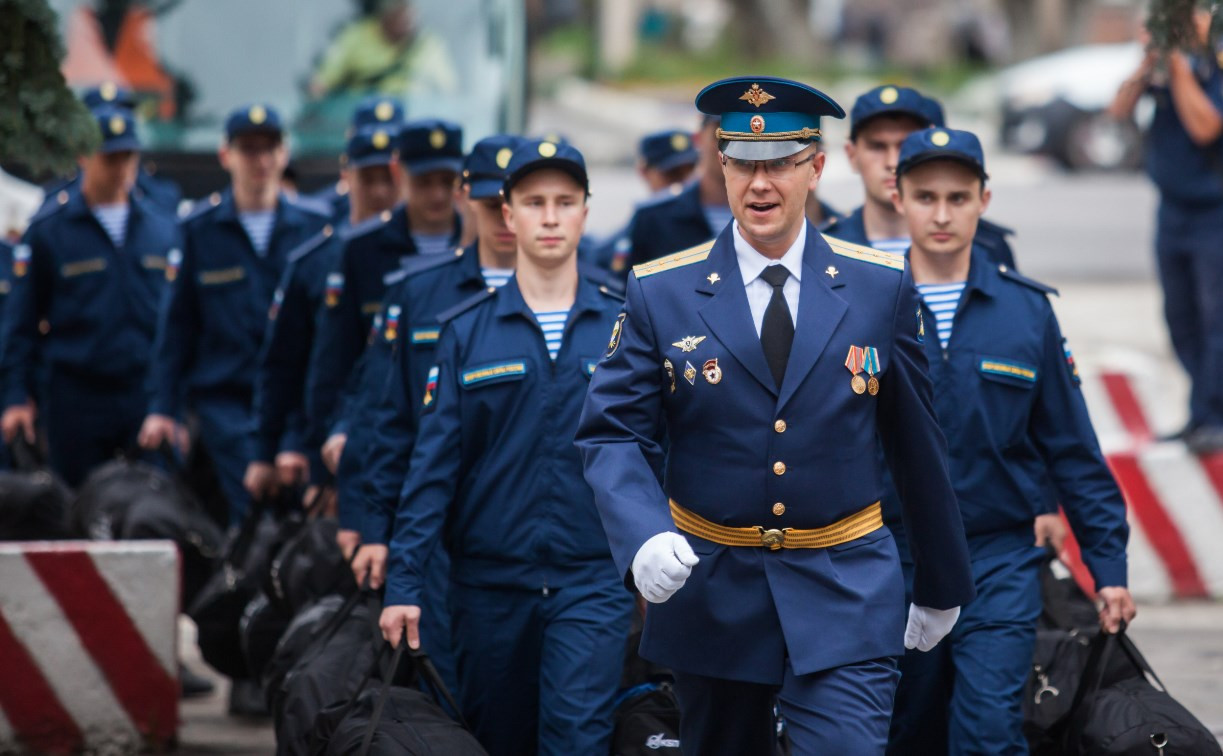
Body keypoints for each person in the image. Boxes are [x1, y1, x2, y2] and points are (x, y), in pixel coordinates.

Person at [575, 76, 976, 755]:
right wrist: (642, 535)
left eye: (780, 163)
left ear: (815, 168)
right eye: (742, 163)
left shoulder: (878, 285)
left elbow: (915, 444)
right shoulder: (660, 290)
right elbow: (612, 432)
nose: (759, 184)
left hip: (844, 583)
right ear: (720, 165)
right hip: (714, 591)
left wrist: (940, 582)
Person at [884, 127, 1135, 755]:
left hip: (996, 559)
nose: (941, 214)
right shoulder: (861, 301)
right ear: (898, 198)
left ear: (984, 201)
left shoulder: (1025, 312)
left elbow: (1071, 446)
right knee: (900, 728)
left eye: (958, 198)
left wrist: (1109, 568)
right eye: (925, 196)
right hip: (892, 558)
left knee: (987, 731)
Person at [378, 139, 633, 754]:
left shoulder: (626, 325)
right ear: (508, 214)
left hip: (591, 581)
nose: (550, 216)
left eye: (565, 202)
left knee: (577, 739)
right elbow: (432, 470)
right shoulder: (466, 332)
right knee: (497, 740)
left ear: (585, 213)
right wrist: (404, 583)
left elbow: (655, 455)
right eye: (534, 202)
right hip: (488, 588)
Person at [335, 133, 524, 694]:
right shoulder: (421, 292)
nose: (506, 220)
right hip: (434, 523)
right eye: (493, 205)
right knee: (440, 680)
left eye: (518, 204)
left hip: (520, 522)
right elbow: (386, 419)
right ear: (468, 197)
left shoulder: (569, 295)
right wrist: (373, 528)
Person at [139, 104, 329, 527]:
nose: (260, 160)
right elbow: (177, 327)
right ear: (226, 156)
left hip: (300, 403)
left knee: (308, 521)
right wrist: (163, 407)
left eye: (269, 149)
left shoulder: (318, 228)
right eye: (248, 149)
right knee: (254, 515)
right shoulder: (199, 230)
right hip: (228, 399)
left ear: (284, 154)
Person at [0, 106, 178, 487]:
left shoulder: (164, 229)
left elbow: (180, 323)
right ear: (83, 156)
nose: (120, 168)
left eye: (127, 156)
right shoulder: (49, 230)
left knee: (150, 508)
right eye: (109, 157)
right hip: (76, 396)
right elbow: (20, 324)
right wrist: (16, 396)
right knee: (75, 508)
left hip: (143, 392)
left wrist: (171, 399)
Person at [244, 124, 403, 501]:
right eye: (368, 178)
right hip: (329, 438)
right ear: (346, 177)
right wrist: (282, 446)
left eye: (388, 179)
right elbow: (291, 365)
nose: (380, 191)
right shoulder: (317, 261)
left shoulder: (425, 261)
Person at [306, 118, 464, 476]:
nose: (438, 195)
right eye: (424, 182)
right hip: (378, 428)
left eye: (447, 182)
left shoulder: (480, 247)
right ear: (399, 172)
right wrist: (324, 465)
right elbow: (336, 360)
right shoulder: (361, 250)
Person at [1111, 8, 1223, 452]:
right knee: (1181, 318)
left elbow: (1205, 126)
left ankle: (1213, 416)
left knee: (1217, 320)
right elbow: (1117, 110)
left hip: (1215, 211)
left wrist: (1177, 62)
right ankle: (1202, 412)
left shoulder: (1214, 63)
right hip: (1171, 209)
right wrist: (1147, 64)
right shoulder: (1163, 65)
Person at [825, 85, 1015, 268]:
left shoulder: (988, 245)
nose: (892, 162)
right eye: (877, 147)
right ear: (852, 155)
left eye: (906, 146)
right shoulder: (826, 244)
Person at [622, 115, 732, 272]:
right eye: (721, 135)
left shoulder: (769, 210)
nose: (732, 147)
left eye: (741, 136)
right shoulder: (653, 218)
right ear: (698, 139)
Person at [591, 128, 701, 276]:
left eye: (691, 171)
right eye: (672, 174)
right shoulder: (635, 232)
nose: (684, 182)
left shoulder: (715, 220)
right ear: (643, 172)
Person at [310, 0, 456, 98]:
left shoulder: (428, 44)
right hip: (364, 121)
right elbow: (321, 83)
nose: (405, 19)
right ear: (384, 13)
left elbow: (448, 91)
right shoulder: (355, 36)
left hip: (414, 125)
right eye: (397, 12)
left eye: (407, 11)